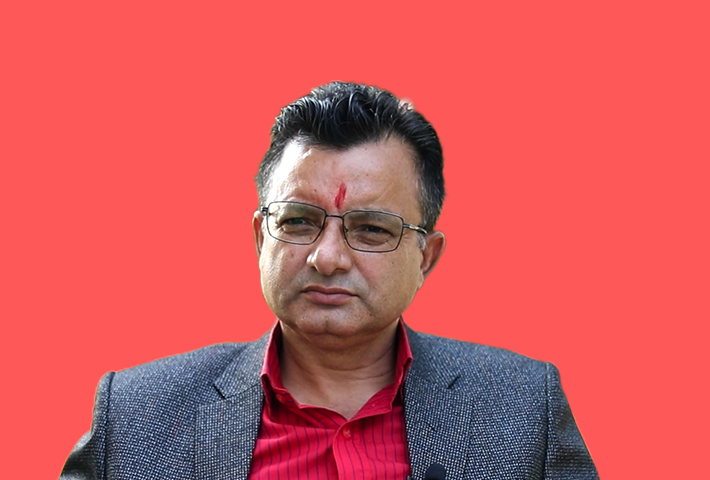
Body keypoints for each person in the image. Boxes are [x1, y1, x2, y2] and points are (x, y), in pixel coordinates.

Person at [61, 82, 598, 480]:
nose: (328, 257)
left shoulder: (521, 410)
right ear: (261, 238)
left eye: (371, 229)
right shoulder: (138, 416)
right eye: (298, 221)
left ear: (426, 257)